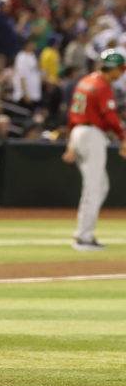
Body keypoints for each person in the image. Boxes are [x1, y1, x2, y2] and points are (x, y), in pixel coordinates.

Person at [62, 48, 126, 251]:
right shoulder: (102, 85)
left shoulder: (85, 81)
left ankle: (84, 233)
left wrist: (71, 144)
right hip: (91, 135)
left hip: (79, 132)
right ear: (113, 68)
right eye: (121, 69)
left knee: (100, 185)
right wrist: (124, 137)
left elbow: (72, 115)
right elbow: (110, 118)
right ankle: (83, 237)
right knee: (93, 187)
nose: (122, 73)